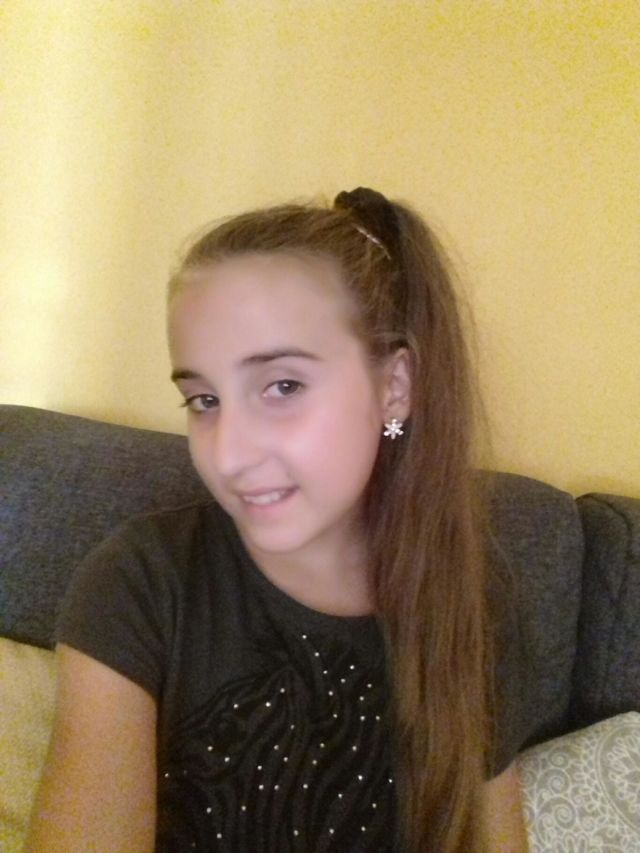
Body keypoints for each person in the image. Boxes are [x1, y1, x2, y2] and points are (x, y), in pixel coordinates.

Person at [27, 188, 529, 852]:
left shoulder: (476, 603)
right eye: (203, 399)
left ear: (394, 386)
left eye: (282, 386)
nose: (228, 454)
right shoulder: (140, 584)